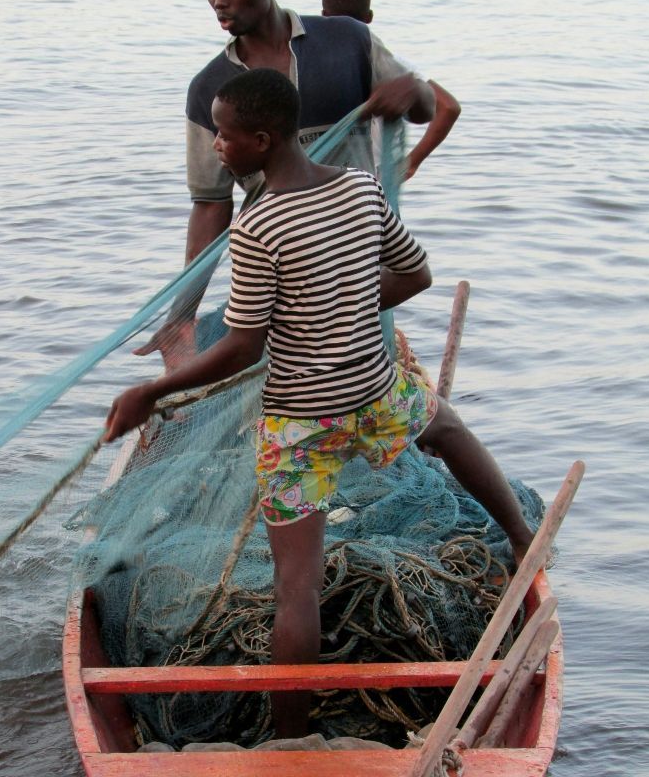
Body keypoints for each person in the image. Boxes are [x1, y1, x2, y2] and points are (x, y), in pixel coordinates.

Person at [105, 69, 535, 740]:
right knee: (446, 428)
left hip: (300, 422)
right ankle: (520, 536)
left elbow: (245, 347)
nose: (216, 144)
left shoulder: (260, 226)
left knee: (296, 586)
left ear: (262, 138)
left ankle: (290, 739)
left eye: (224, 133)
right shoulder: (361, 190)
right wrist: (350, 310)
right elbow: (415, 273)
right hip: (373, 389)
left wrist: (152, 391)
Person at [134, 0, 436, 369]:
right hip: (288, 278)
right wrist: (181, 315)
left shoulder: (348, 41)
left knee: (365, 378)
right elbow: (210, 204)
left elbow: (426, 107)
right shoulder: (209, 89)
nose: (218, 1)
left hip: (362, 262)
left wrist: (413, 90)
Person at [321, 0, 462, 181]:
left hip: (319, 179)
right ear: (369, 17)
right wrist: (411, 162)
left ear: (324, 16)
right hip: (372, 179)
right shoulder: (392, 65)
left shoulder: (305, 61)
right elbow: (448, 107)